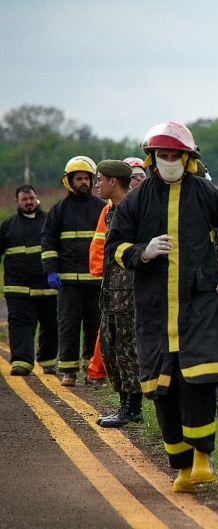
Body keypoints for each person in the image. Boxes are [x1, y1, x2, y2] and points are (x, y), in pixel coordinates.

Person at [105, 121, 218, 492]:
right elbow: (114, 247)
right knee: (162, 388)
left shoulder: (205, 192)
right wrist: (143, 252)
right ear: (152, 158)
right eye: (163, 155)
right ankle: (182, 467)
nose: (169, 160)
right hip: (154, 308)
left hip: (200, 302)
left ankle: (202, 456)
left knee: (197, 379)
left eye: (175, 155)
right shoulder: (137, 200)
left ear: (188, 158)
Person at [88, 160, 144, 427]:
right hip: (111, 292)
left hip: (130, 293)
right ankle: (124, 404)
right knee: (110, 350)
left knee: (127, 351)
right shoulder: (110, 211)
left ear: (113, 181)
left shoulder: (136, 209)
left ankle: (133, 408)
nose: (96, 184)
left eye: (100, 179)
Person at [41, 156, 106, 386]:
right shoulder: (59, 210)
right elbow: (48, 242)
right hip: (68, 282)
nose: (84, 182)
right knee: (68, 326)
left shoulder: (101, 208)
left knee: (94, 326)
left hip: (95, 281)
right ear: (69, 181)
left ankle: (91, 371)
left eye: (87, 178)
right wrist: (50, 270)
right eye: (79, 179)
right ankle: (68, 372)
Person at [2, 185, 59, 376]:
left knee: (51, 324)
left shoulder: (49, 222)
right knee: (19, 325)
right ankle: (21, 362)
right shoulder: (8, 226)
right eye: (24, 199)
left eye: (31, 199)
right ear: (16, 202)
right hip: (17, 289)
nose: (29, 202)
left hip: (47, 287)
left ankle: (48, 361)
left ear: (37, 199)